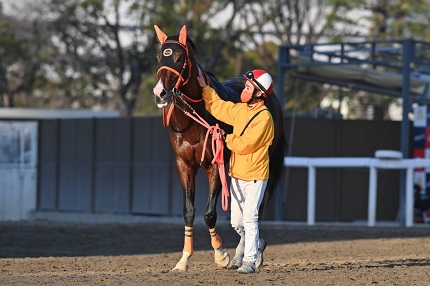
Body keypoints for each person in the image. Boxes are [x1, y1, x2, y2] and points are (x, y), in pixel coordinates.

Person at [196, 67, 275, 274]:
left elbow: (245, 144)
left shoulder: (264, 118)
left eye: (249, 86)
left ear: (259, 93)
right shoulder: (241, 110)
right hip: (238, 174)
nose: (245, 88)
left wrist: (224, 137)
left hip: (256, 176)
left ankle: (249, 261)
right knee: (236, 223)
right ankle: (256, 243)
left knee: (250, 219)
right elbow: (220, 108)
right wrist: (206, 89)